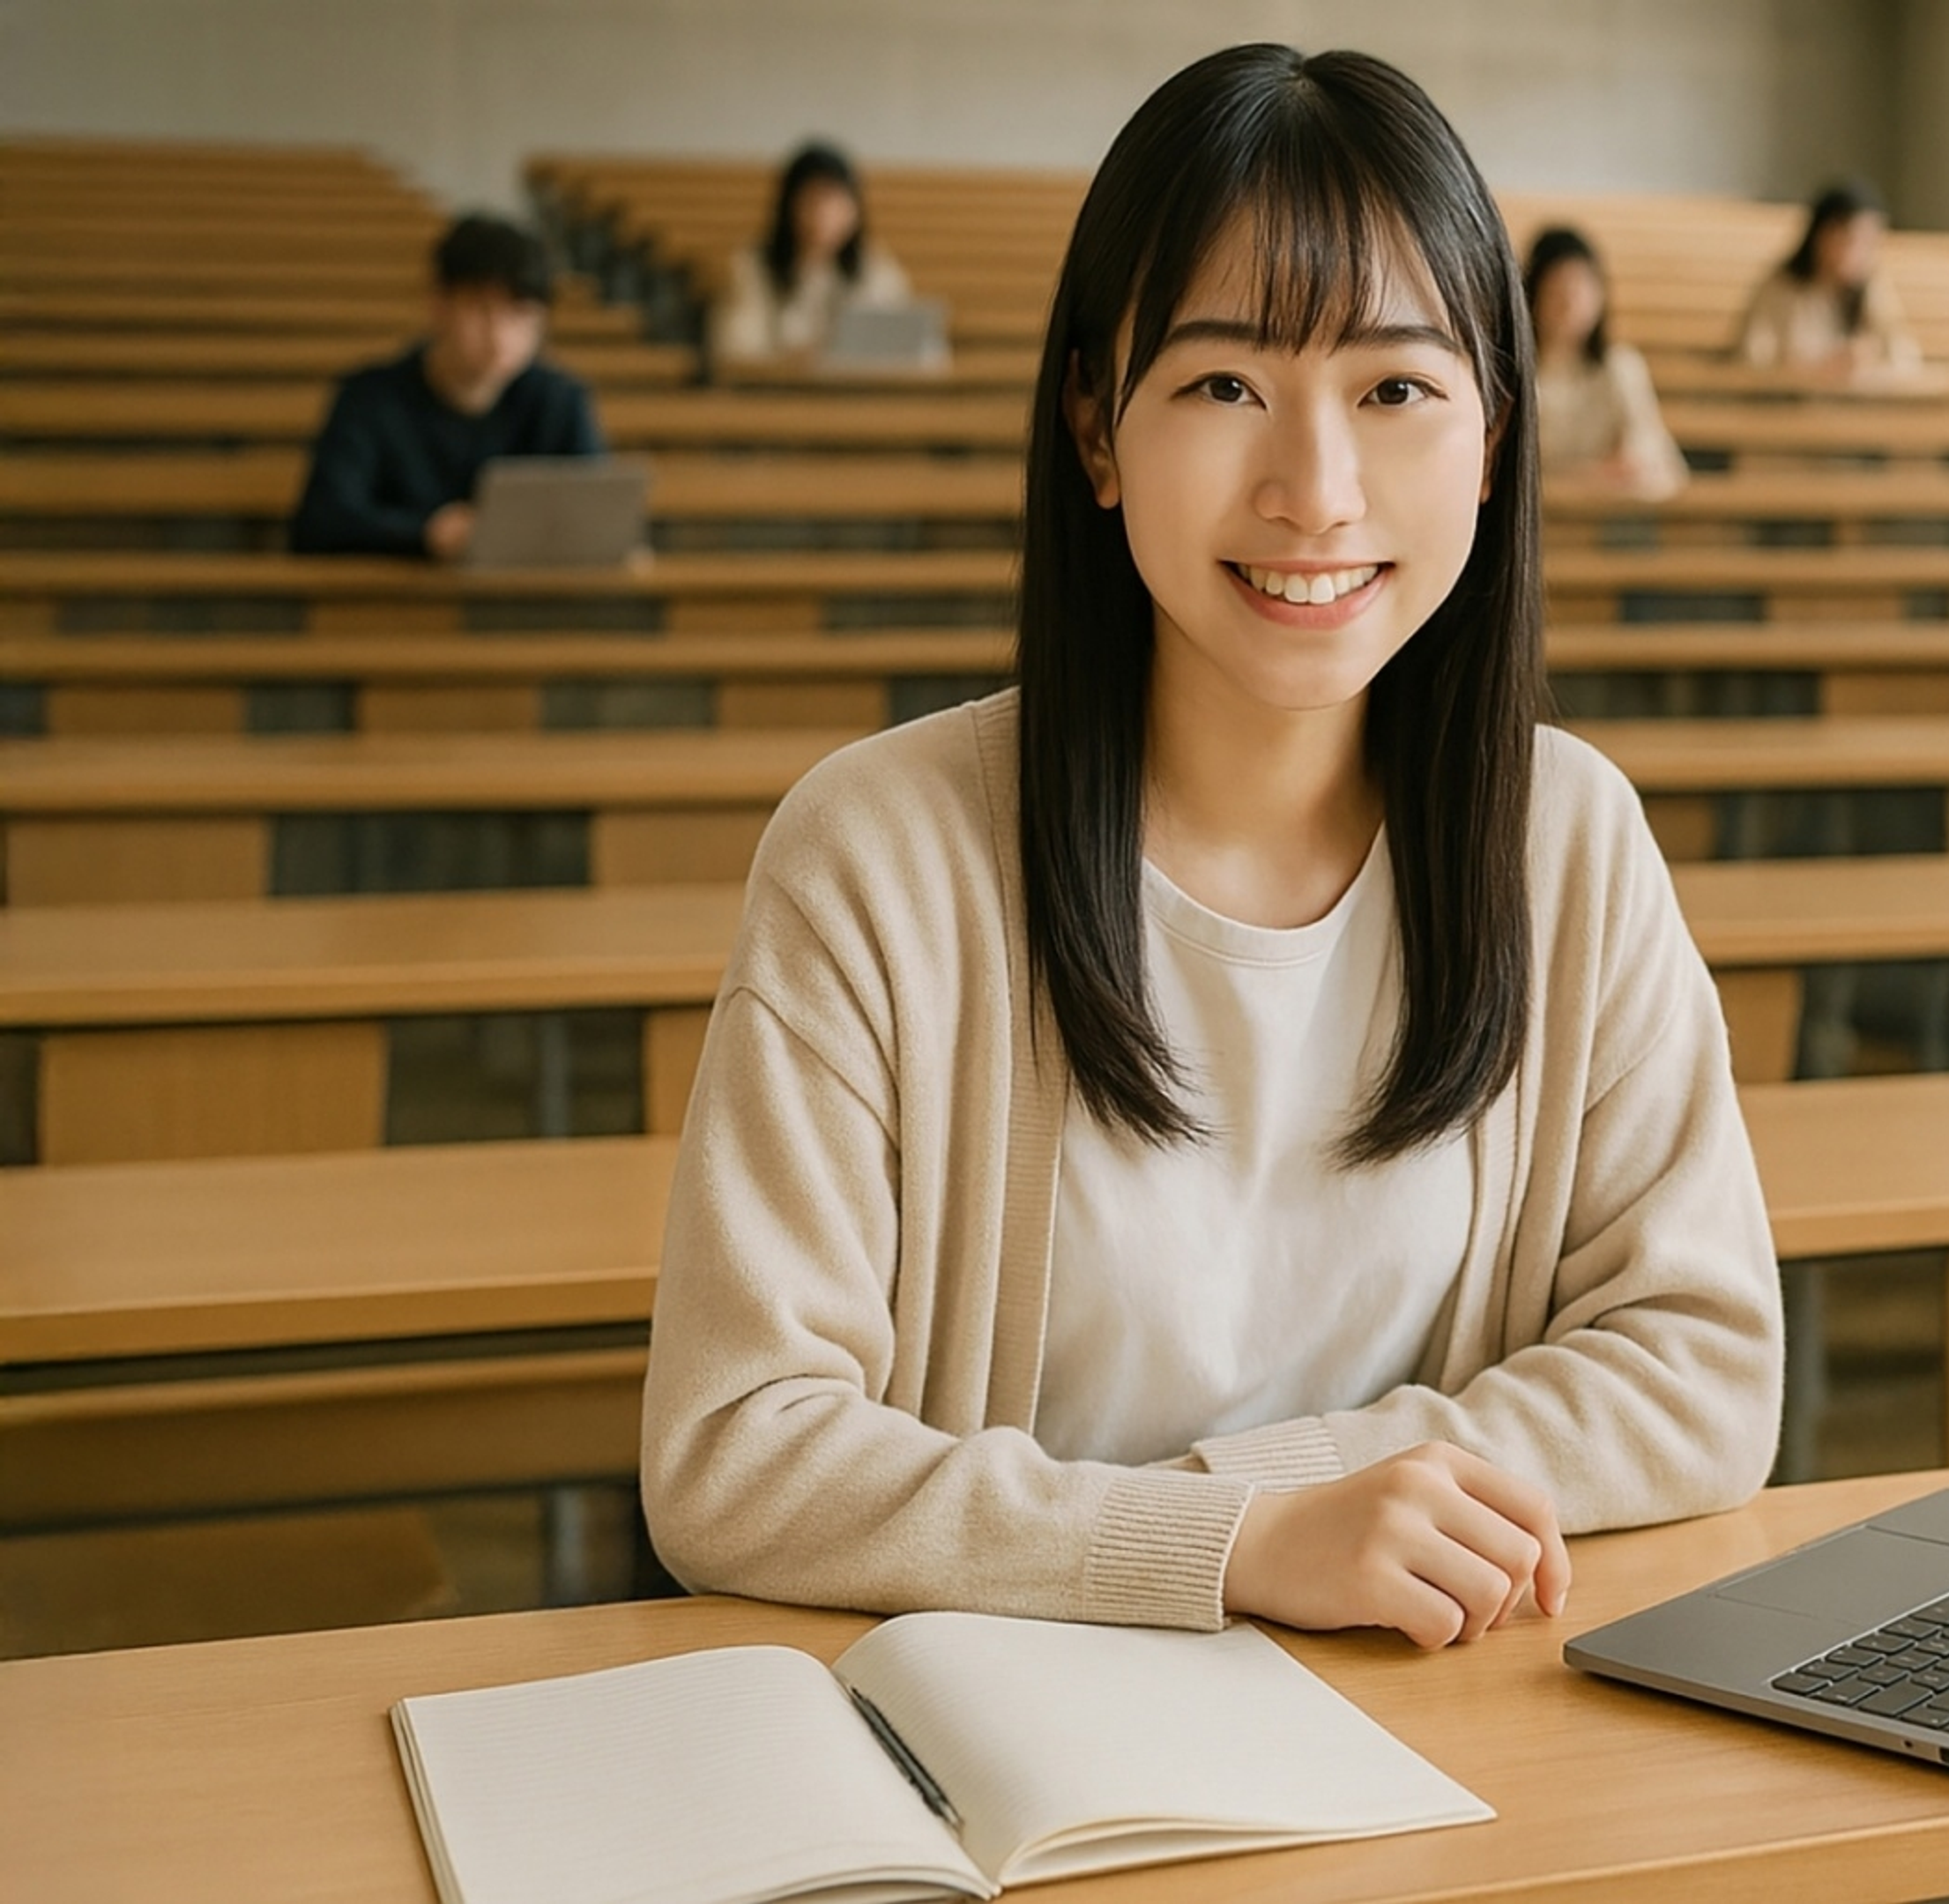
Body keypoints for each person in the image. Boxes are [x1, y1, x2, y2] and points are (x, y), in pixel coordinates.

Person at [641, 44, 1784, 1650]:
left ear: (1495, 435)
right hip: (1007, 1758)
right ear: (1098, 434)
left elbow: (1703, 1368)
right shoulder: (878, 857)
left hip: (1430, 1739)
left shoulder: (1568, 839)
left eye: (1394, 390)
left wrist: (1308, 1500)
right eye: (1224, 385)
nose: (1314, 491)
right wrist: (1233, 1539)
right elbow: (733, 1453)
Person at [286, 215, 605, 560]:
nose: (500, 336)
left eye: (520, 315)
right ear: (439, 304)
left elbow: (597, 521)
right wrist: (426, 533)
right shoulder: (368, 398)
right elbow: (320, 523)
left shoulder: (560, 401)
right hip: (389, 604)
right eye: (481, 309)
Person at [711, 141, 917, 370]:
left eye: (835, 201)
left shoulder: (875, 269)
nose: (824, 214)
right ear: (789, 206)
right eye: (813, 200)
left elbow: (903, 351)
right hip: (775, 398)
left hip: (857, 398)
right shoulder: (751, 268)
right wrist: (791, 361)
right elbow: (736, 351)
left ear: (854, 211)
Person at [1523, 226, 1687, 499]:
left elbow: (1657, 464)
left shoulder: (1620, 368)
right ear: (1534, 293)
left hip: (1607, 518)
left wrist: (1630, 461)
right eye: (1559, 288)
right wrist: (1591, 474)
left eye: (1582, 288)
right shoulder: (1515, 374)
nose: (1570, 302)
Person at [1730, 179, 1923, 376]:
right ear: (1824, 236)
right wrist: (1816, 369)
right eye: (1856, 240)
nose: (1865, 254)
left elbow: (1903, 354)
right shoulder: (1780, 288)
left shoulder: (1870, 287)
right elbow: (1752, 362)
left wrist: (1868, 359)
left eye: (1872, 242)